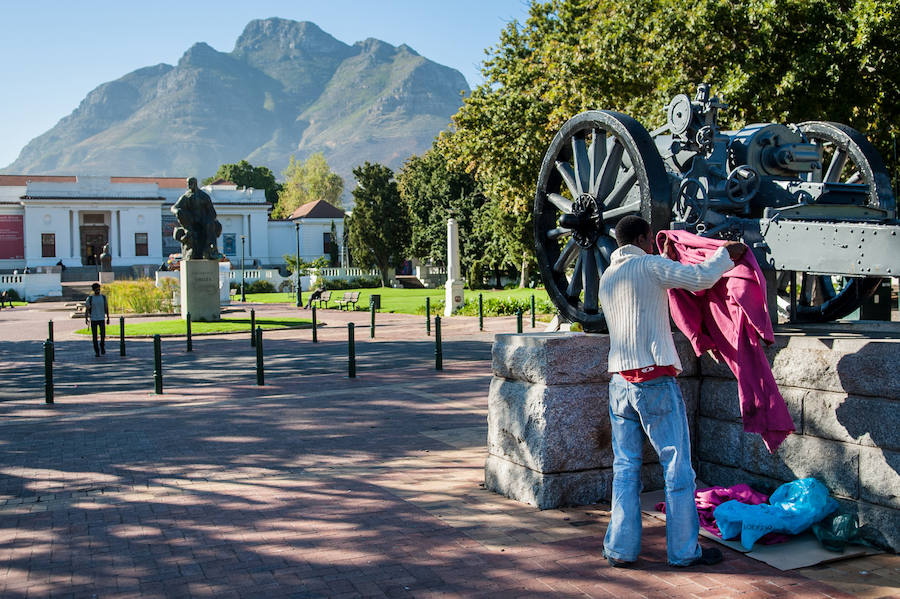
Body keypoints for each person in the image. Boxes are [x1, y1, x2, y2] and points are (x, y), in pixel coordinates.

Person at [597, 215, 745, 569]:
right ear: (646, 237)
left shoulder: (608, 275)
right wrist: (729, 254)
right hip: (655, 380)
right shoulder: (649, 265)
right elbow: (700, 280)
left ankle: (620, 548)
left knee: (626, 468)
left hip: (619, 383)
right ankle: (683, 551)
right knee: (677, 469)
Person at [84, 283, 110, 357]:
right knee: (94, 337)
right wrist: (86, 318)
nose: (98, 290)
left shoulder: (103, 297)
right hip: (94, 319)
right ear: (93, 290)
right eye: (96, 289)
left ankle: (102, 346)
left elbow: (106, 307)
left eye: (99, 289)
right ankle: (97, 351)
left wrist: (108, 317)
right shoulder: (90, 298)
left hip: (101, 318)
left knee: (103, 335)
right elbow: (87, 309)